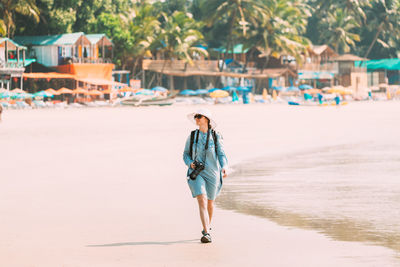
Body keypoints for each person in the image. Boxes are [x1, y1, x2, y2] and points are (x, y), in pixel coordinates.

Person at [183, 109, 228, 243]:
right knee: (202, 199)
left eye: (199, 116)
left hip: (213, 173)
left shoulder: (215, 136)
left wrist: (224, 167)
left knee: (210, 202)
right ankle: (206, 232)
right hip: (196, 173)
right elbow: (185, 154)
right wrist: (190, 163)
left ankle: (207, 226)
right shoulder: (192, 136)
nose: (196, 119)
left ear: (207, 120)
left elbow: (221, 154)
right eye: (195, 117)